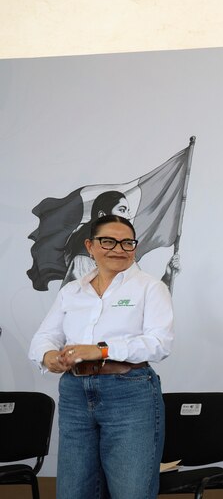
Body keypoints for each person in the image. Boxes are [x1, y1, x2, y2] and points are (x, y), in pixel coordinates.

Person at [28, 214, 174, 499]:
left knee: (131, 492)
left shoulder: (151, 288)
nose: (118, 248)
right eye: (108, 241)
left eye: (127, 243)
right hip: (74, 393)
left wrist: (102, 350)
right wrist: (48, 356)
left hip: (129, 392)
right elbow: (43, 337)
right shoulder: (72, 290)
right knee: (74, 491)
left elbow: (159, 344)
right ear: (90, 245)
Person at [63, 190, 180, 287]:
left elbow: (145, 300)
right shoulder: (83, 261)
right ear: (102, 216)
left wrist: (168, 276)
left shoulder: (126, 259)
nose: (128, 217)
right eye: (122, 210)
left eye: (128, 211)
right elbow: (71, 304)